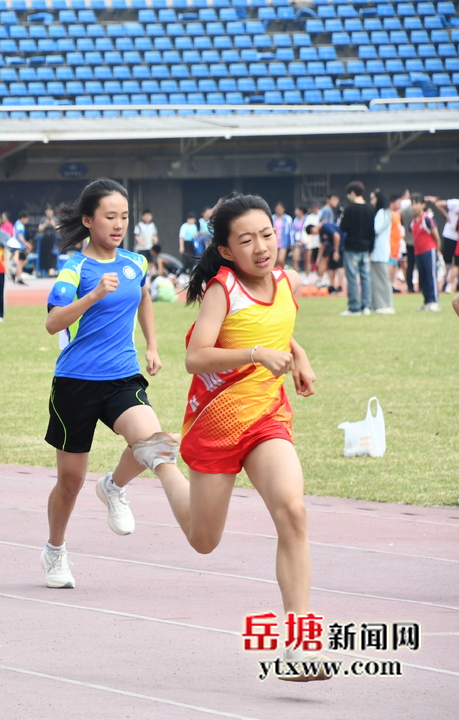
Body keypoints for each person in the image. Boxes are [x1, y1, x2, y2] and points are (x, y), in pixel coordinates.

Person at [151, 192, 329, 681]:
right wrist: (254, 353)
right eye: (246, 240)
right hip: (215, 421)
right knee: (204, 540)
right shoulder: (221, 289)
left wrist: (301, 357)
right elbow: (197, 356)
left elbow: (278, 326)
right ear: (227, 251)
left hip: (267, 417)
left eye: (267, 235)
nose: (261, 247)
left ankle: (299, 645)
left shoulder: (286, 281)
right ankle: (163, 463)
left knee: (293, 511)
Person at [40, 178, 175, 590]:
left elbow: (144, 297)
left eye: (124, 217)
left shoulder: (135, 262)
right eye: (110, 216)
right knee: (70, 482)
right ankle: (55, 551)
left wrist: (152, 345)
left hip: (122, 376)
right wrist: (92, 296)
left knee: (156, 442)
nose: (119, 225)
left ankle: (114, 486)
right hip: (75, 383)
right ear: (88, 220)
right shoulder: (75, 268)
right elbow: (52, 323)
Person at [339, 181, 375, 316]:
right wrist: (371, 247)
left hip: (351, 247)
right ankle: (366, 306)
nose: (348, 196)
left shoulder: (349, 209)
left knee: (352, 277)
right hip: (365, 247)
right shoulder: (370, 209)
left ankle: (354, 307)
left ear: (353, 192)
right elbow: (372, 231)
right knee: (365, 277)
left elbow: (343, 228)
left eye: (349, 194)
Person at [410, 194, 441, 312]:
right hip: (418, 252)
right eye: (412, 203)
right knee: (422, 277)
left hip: (429, 251)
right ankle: (427, 301)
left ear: (423, 205)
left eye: (417, 203)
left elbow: (436, 236)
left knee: (431, 276)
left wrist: (437, 250)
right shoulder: (412, 222)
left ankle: (434, 301)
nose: (414, 206)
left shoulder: (427, 219)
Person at [369, 189, 395, 314]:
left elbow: (375, 229)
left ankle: (386, 305)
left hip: (379, 250)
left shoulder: (383, 212)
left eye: (373, 198)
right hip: (377, 251)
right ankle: (377, 304)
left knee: (382, 278)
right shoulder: (382, 213)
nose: (371, 201)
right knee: (375, 279)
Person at [430, 196, 459, 293]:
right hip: (450, 235)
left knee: (456, 263)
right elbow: (438, 204)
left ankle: (451, 283)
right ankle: (446, 282)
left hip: (457, 236)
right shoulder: (455, 203)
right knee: (448, 261)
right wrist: (447, 216)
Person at [36, 205, 60, 277]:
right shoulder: (43, 219)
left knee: (53, 256)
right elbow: (40, 229)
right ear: (45, 212)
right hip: (44, 240)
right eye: (48, 211)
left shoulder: (55, 219)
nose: (49, 212)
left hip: (53, 240)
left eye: (50, 211)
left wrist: (52, 223)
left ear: (52, 212)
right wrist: (46, 223)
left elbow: (58, 229)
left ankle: (52, 271)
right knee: (44, 255)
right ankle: (44, 271)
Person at [10, 210, 31, 285]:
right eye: (26, 219)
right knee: (20, 262)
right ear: (23, 218)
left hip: (18, 246)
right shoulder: (20, 225)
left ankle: (15, 274)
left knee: (24, 261)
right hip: (18, 246)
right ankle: (19, 278)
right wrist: (27, 244)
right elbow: (20, 237)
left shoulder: (17, 223)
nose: (27, 221)